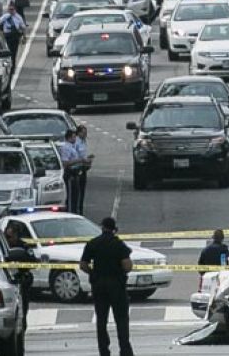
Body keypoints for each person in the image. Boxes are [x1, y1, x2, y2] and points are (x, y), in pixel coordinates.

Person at [80, 217, 134, 356]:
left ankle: (104, 350)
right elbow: (127, 266)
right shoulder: (119, 244)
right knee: (121, 319)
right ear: (114, 228)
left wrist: (93, 273)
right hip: (117, 285)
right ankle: (125, 350)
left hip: (99, 285)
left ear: (102, 227)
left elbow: (83, 265)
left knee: (101, 320)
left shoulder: (93, 243)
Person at [4, 222, 39, 330]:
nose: (8, 239)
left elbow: (34, 263)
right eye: (6, 236)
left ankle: (22, 327)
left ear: (17, 235)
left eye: (10, 237)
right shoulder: (2, 246)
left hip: (21, 280)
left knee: (23, 307)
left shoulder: (24, 247)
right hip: (5, 280)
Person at [58, 130, 90, 214]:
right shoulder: (66, 148)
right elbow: (65, 163)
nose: (75, 139)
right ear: (68, 138)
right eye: (73, 137)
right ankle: (70, 212)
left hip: (76, 173)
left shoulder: (72, 146)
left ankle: (75, 212)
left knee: (76, 196)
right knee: (71, 196)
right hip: (70, 174)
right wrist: (79, 160)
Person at [0, 4, 26, 69]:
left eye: (12, 9)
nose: (11, 11)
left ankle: (13, 65)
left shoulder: (18, 17)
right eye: (9, 9)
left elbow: (23, 27)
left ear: (15, 10)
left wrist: (24, 37)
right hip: (7, 37)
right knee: (8, 51)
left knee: (14, 52)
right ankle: (8, 64)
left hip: (15, 37)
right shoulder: (5, 17)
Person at [74, 125, 95, 214]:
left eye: (86, 133)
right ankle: (77, 210)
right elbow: (75, 156)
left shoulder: (83, 141)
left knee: (82, 191)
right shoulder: (76, 142)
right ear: (78, 133)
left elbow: (83, 154)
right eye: (84, 133)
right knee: (78, 191)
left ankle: (80, 210)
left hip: (83, 168)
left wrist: (88, 159)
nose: (85, 135)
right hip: (77, 168)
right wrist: (84, 160)